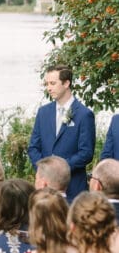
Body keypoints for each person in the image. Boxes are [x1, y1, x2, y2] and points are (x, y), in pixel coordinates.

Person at [27, 64, 95, 201]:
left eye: (52, 83)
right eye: (47, 84)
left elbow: (86, 153)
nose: (48, 88)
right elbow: (33, 147)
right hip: (44, 188)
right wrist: (44, 171)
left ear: (66, 83)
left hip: (73, 189)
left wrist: (58, 170)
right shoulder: (43, 112)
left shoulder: (84, 114)